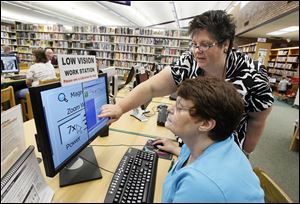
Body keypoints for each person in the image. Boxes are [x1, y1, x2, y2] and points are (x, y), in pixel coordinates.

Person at [98, 10, 274, 156]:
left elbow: (258, 120)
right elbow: (150, 87)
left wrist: (244, 155)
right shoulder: (189, 62)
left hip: (225, 153)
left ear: (225, 44)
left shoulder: (253, 73)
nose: (197, 51)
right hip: (190, 147)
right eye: (194, 44)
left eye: (205, 44)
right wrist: (120, 108)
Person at [160, 76, 264, 202]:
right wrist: (173, 148)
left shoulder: (200, 185)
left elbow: (203, 181)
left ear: (205, 124)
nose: (170, 109)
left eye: (180, 107)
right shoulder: (212, 140)